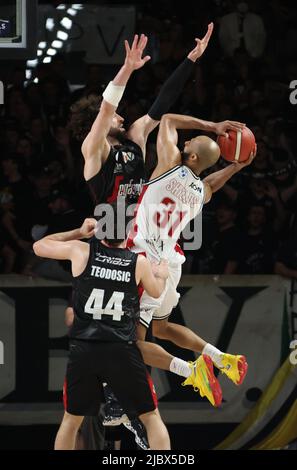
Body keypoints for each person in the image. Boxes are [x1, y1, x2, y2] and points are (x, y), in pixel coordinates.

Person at [127, 112, 257, 398]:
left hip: (148, 263)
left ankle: (191, 370)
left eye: (191, 143)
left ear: (193, 157)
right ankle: (223, 358)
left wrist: (214, 126)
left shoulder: (169, 164)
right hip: (172, 262)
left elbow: (168, 119)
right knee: (161, 328)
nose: (185, 141)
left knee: (134, 343)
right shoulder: (199, 192)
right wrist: (235, 167)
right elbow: (211, 184)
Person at [33, 214, 171, 450]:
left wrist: (78, 231)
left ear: (99, 232)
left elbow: (38, 246)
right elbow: (156, 292)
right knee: (151, 417)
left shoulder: (81, 251)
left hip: (85, 348)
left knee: (71, 421)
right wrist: (162, 274)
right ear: (127, 235)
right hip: (121, 348)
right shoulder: (137, 262)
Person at [70, 28, 217, 207]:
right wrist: (127, 68)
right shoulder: (93, 149)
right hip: (110, 232)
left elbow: (163, 102)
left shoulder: (134, 139)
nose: (121, 118)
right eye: (115, 116)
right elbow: (107, 109)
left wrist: (191, 58)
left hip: (142, 232)